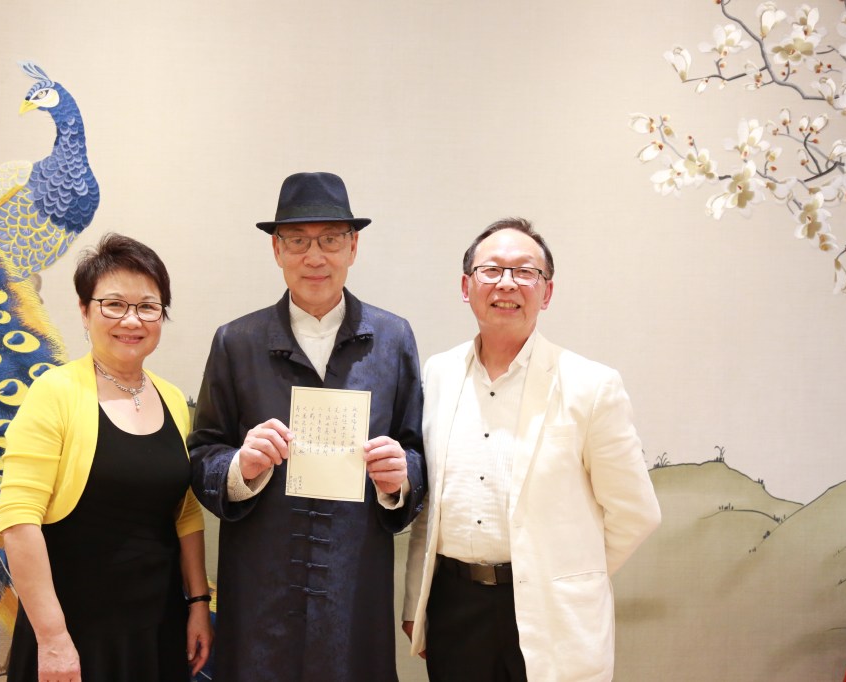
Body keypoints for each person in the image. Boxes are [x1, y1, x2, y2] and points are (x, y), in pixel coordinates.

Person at [188, 171, 426, 682]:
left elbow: (416, 451)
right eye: (297, 240)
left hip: (353, 583)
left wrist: (400, 478)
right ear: (276, 249)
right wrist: (239, 468)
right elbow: (203, 451)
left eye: (330, 240)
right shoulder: (236, 341)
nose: (314, 257)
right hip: (261, 583)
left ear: (353, 247)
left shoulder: (392, 339)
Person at [402, 218, 661, 682]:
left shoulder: (591, 385)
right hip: (454, 607)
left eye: (525, 272)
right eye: (491, 270)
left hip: (551, 614)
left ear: (547, 291)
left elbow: (635, 511)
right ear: (466, 286)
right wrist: (414, 604)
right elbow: (431, 506)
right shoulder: (439, 374)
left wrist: (567, 577)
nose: (507, 284)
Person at [0, 233, 212, 681]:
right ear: (84, 310)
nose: (131, 320)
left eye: (148, 306)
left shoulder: (173, 399)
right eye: (113, 304)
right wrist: (53, 639)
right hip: (75, 632)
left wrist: (197, 604)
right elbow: (18, 522)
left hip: (159, 625)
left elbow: (186, 512)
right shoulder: (54, 392)